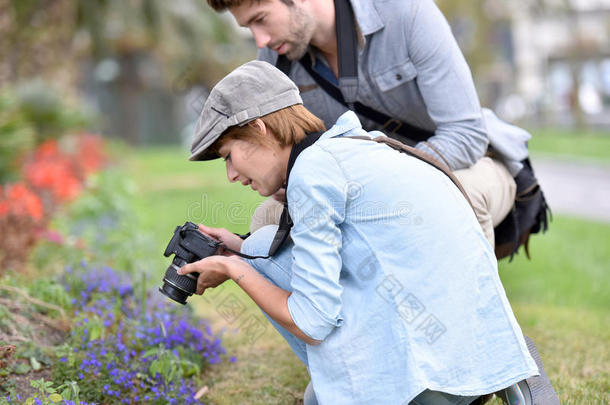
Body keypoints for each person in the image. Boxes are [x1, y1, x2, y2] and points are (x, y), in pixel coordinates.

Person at [180, 61, 559, 404]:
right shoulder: (356, 147)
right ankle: (496, 372)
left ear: (260, 128)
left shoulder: (313, 174)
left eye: (228, 155)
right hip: (473, 351)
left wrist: (235, 269)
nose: (230, 174)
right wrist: (237, 250)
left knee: (264, 248)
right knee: (316, 392)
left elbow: (313, 321)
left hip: (429, 381)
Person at [205, 0, 538, 250]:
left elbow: (465, 135)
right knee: (266, 222)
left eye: (261, 19)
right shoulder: (275, 61)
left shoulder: (406, 13)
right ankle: (349, 339)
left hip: (469, 162)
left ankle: (478, 334)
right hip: (362, 184)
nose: (260, 40)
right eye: (250, 28)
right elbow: (292, 152)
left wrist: (373, 184)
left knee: (448, 202)